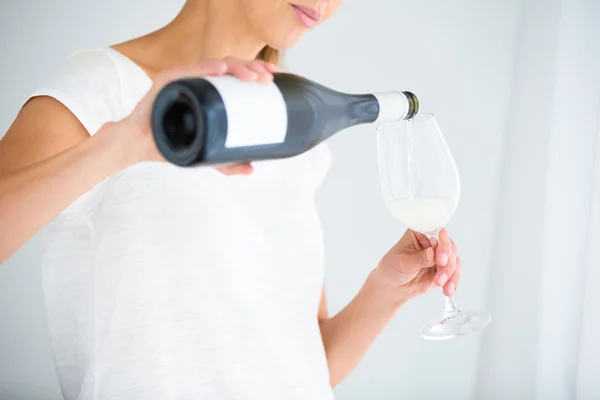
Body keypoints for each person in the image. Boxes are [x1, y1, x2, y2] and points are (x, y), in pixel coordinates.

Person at [0, 1, 462, 399]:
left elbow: (304, 364)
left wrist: (385, 290)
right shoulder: (103, 89)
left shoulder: (294, 117)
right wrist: (124, 143)